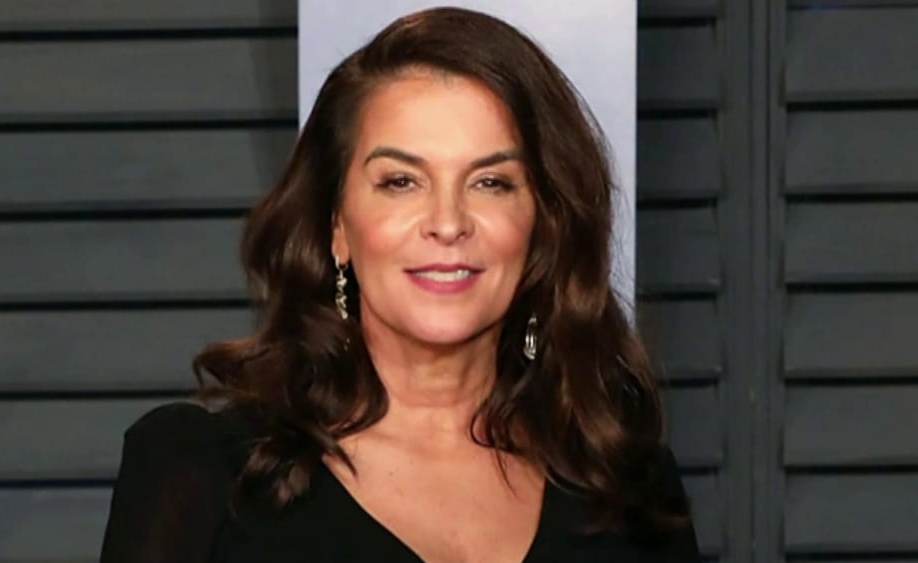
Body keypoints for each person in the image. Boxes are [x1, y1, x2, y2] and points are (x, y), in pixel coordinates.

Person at [99, 6, 699, 563]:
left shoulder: (628, 487)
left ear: (543, 224)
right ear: (337, 225)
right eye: (400, 182)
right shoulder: (203, 474)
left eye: (490, 182)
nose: (448, 223)